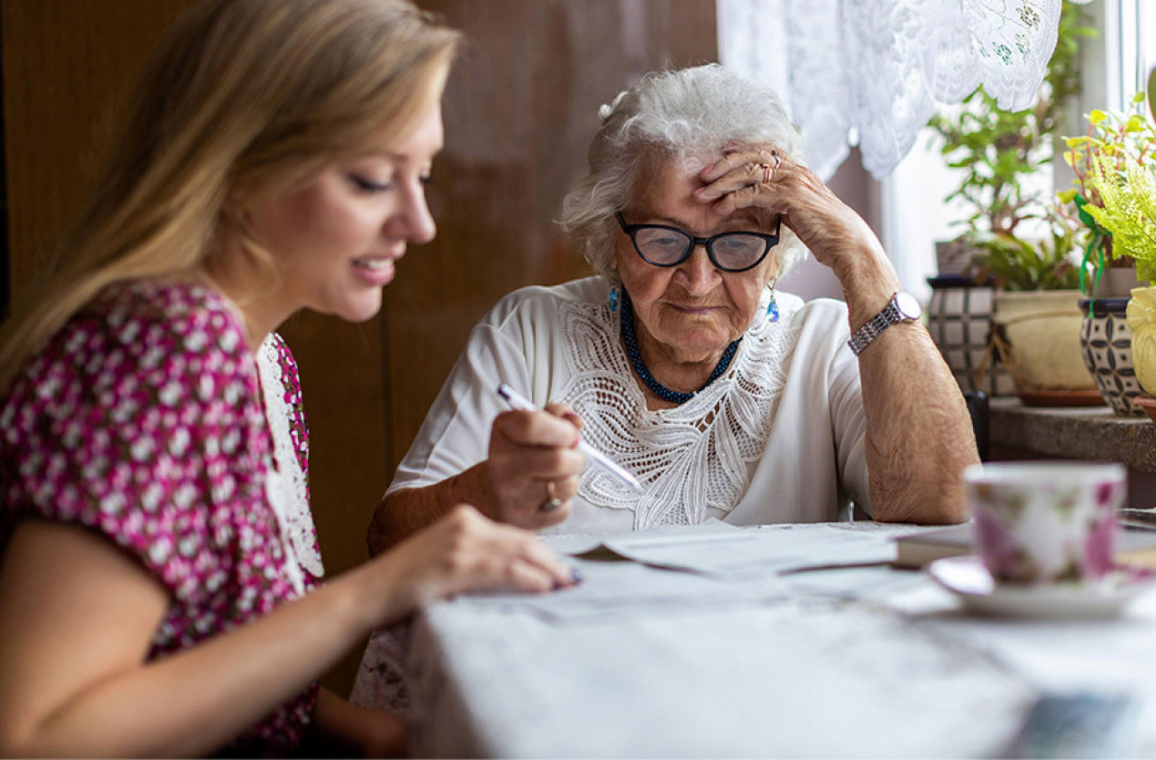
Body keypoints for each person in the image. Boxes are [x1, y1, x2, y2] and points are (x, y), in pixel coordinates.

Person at [0, 0, 584, 758]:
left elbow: (196, 661)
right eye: (373, 179)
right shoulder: (165, 350)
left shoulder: (262, 360)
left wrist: (372, 737)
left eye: (425, 176)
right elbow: (37, 737)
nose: (419, 223)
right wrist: (380, 589)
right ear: (239, 167)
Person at [365, 62, 976, 555]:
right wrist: (486, 490)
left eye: (737, 242)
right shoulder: (530, 332)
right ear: (612, 240)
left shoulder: (820, 346)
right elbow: (389, 541)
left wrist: (862, 257)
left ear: (775, 250)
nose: (698, 278)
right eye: (663, 239)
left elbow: (947, 510)